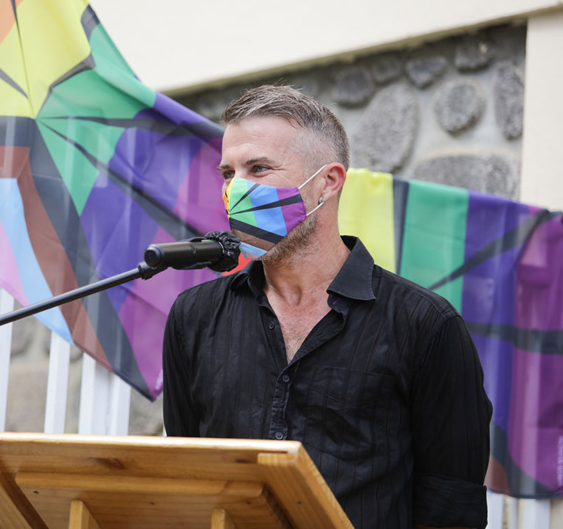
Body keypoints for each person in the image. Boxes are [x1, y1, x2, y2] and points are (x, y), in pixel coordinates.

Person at [162, 85, 492, 529]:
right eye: (228, 172)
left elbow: (452, 508)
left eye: (258, 168)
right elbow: (189, 476)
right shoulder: (194, 317)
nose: (236, 189)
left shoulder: (426, 325)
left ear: (327, 182)